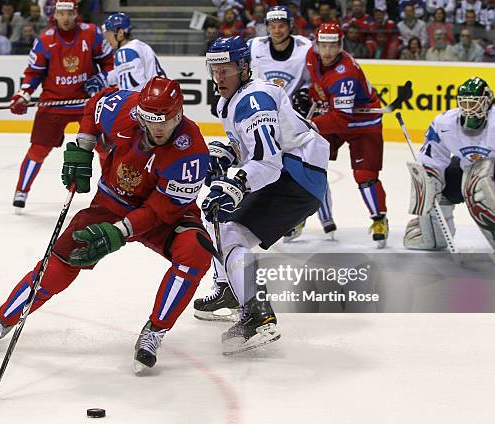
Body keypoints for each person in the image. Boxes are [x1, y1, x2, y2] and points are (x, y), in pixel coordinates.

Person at [0, 77, 213, 374]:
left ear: (178, 115)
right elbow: (95, 104)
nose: (157, 129)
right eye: (150, 121)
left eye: (165, 121)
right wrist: (83, 147)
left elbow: (161, 210)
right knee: (61, 258)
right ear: (140, 114)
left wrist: (120, 231)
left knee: (195, 253)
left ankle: (154, 332)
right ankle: (3, 320)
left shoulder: (192, 153)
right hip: (111, 203)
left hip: (163, 216)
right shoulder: (126, 108)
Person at [200, 36, 330, 354]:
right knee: (216, 216)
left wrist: (237, 184)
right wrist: (226, 154)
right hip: (293, 173)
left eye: (226, 69)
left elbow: (268, 163)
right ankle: (230, 289)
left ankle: (258, 316)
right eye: (214, 69)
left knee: (230, 232)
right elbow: (247, 145)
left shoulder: (253, 100)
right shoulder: (234, 100)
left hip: (296, 176)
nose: (219, 77)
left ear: (244, 67)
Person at [9, 0, 113, 211]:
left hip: (87, 103)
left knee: (105, 146)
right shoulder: (45, 40)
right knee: (38, 149)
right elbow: (34, 73)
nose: (65, 18)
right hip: (54, 103)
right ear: (54, 15)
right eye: (61, 13)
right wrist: (23, 94)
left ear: (76, 14)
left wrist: (103, 80)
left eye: (69, 13)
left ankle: (112, 192)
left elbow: (109, 63)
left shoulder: (91, 33)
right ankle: (21, 191)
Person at [306, 23, 389, 248]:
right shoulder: (311, 57)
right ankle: (302, 216)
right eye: (323, 45)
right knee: (311, 165)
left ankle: (379, 219)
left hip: (363, 123)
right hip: (333, 116)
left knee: (365, 174)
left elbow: (339, 120)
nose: (327, 52)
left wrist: (307, 124)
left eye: (332, 46)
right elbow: (317, 85)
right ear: (316, 44)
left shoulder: (346, 73)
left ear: (341, 46)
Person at [404, 77, 494, 252]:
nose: (469, 108)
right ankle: (429, 229)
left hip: (489, 174)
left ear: (488, 102)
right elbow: (431, 160)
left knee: (479, 182)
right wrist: (430, 183)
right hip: (466, 169)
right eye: (465, 103)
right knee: (431, 186)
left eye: (475, 103)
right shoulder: (445, 123)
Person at [84, 12, 165, 96]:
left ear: (120, 33)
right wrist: (104, 79)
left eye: (108, 33)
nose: (107, 39)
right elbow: (123, 73)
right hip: (158, 97)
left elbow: (131, 93)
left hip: (149, 103)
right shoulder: (138, 46)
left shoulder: (125, 52)